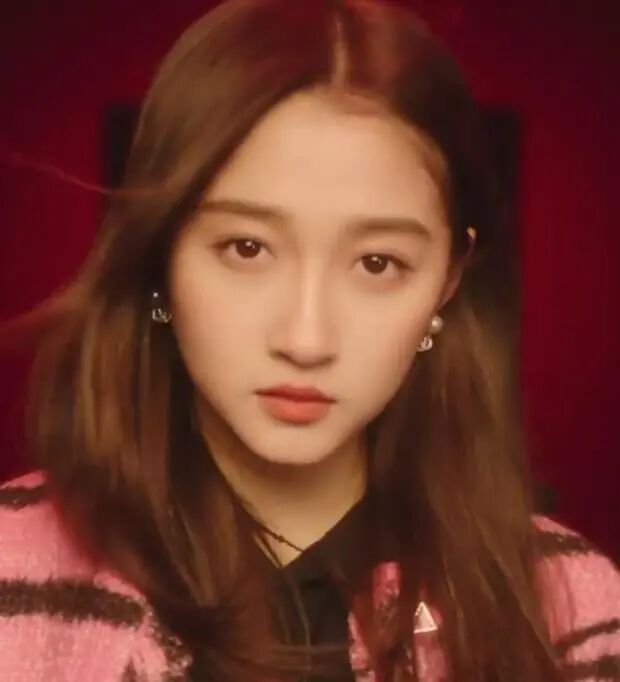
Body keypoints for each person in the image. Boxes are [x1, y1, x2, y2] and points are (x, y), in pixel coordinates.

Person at [0, 0, 618, 680]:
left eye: (377, 263)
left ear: (448, 281)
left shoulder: (571, 611)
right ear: (159, 253)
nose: (306, 338)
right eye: (247, 248)